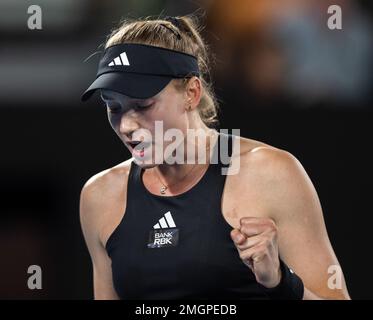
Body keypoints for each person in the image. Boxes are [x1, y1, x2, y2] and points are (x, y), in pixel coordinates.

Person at [79, 14, 350, 299]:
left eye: (143, 105)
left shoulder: (270, 173)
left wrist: (282, 282)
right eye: (114, 107)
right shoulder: (100, 196)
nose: (126, 126)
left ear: (192, 93)